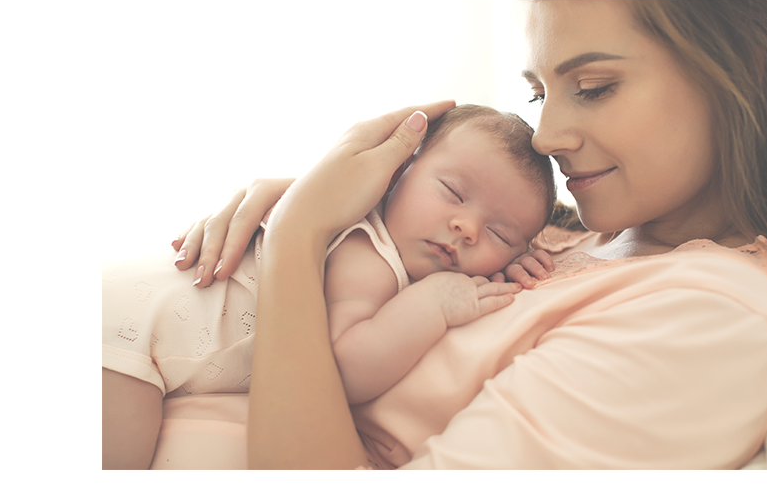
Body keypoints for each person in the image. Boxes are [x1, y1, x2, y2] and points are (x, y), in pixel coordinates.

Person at [112, 0, 767, 469]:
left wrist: (297, 237)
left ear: (737, 70)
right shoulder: (570, 238)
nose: (546, 136)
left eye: (592, 86)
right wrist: (311, 214)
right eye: (538, 93)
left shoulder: (705, 317)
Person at [102, 104, 558, 468]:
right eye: (453, 193)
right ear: (397, 173)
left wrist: (515, 259)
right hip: (127, 334)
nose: (467, 228)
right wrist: (433, 305)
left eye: (500, 234)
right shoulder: (367, 252)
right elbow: (344, 369)